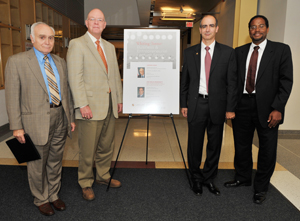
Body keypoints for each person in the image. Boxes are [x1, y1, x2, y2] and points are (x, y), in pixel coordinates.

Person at [5, 22, 75, 216]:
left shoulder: (60, 62)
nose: (47, 41)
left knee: (55, 161)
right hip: (34, 122)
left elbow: (66, 92)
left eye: (51, 38)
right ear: (32, 38)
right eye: (42, 37)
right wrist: (17, 127)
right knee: (37, 164)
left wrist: (70, 117)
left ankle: (53, 195)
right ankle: (41, 198)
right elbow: (12, 97)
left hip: (60, 117)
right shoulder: (17, 61)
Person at [224, 15, 293, 204]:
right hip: (242, 105)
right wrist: (230, 107)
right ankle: (243, 177)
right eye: (253, 27)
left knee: (267, 149)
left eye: (261, 26)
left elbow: (286, 81)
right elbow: (233, 82)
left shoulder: (280, 50)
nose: (257, 30)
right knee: (241, 144)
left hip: (269, 108)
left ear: (267, 29)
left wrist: (278, 107)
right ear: (249, 31)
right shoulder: (239, 52)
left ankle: (261, 187)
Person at [67, 8, 123, 201]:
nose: (97, 22)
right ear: (87, 22)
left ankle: (103, 176)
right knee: (88, 148)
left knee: (107, 145)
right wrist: (82, 104)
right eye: (93, 19)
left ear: (105, 24)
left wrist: (119, 99)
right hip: (89, 107)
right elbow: (75, 77)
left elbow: (114, 76)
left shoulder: (109, 47)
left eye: (100, 20)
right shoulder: (77, 44)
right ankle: (85, 182)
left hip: (108, 105)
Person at [180, 15, 237, 196]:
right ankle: (196, 178)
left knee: (215, 145)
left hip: (218, 106)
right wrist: (183, 103)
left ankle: (209, 178)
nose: (207, 29)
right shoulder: (190, 53)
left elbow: (232, 83)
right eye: (204, 26)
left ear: (217, 29)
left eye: (211, 26)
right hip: (196, 104)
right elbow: (184, 82)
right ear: (199, 29)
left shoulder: (228, 53)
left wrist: (230, 108)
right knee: (194, 145)